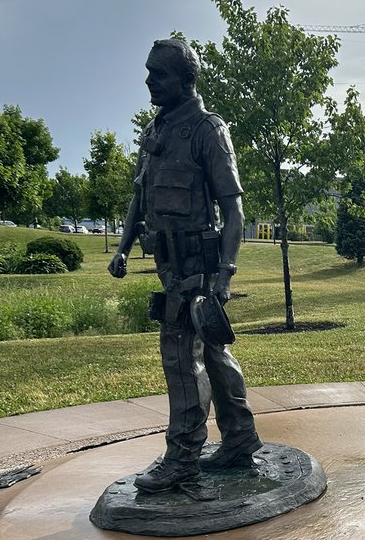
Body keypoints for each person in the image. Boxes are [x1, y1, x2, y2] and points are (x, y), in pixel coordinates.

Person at [108, 38, 261, 493]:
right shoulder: (154, 131)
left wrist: (225, 274)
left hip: (198, 262)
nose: (149, 81)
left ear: (185, 79)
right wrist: (123, 246)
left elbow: (234, 212)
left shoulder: (207, 130)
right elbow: (140, 196)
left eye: (159, 74)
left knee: (180, 356)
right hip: (167, 260)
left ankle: (182, 456)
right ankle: (239, 437)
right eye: (149, 72)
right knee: (212, 351)